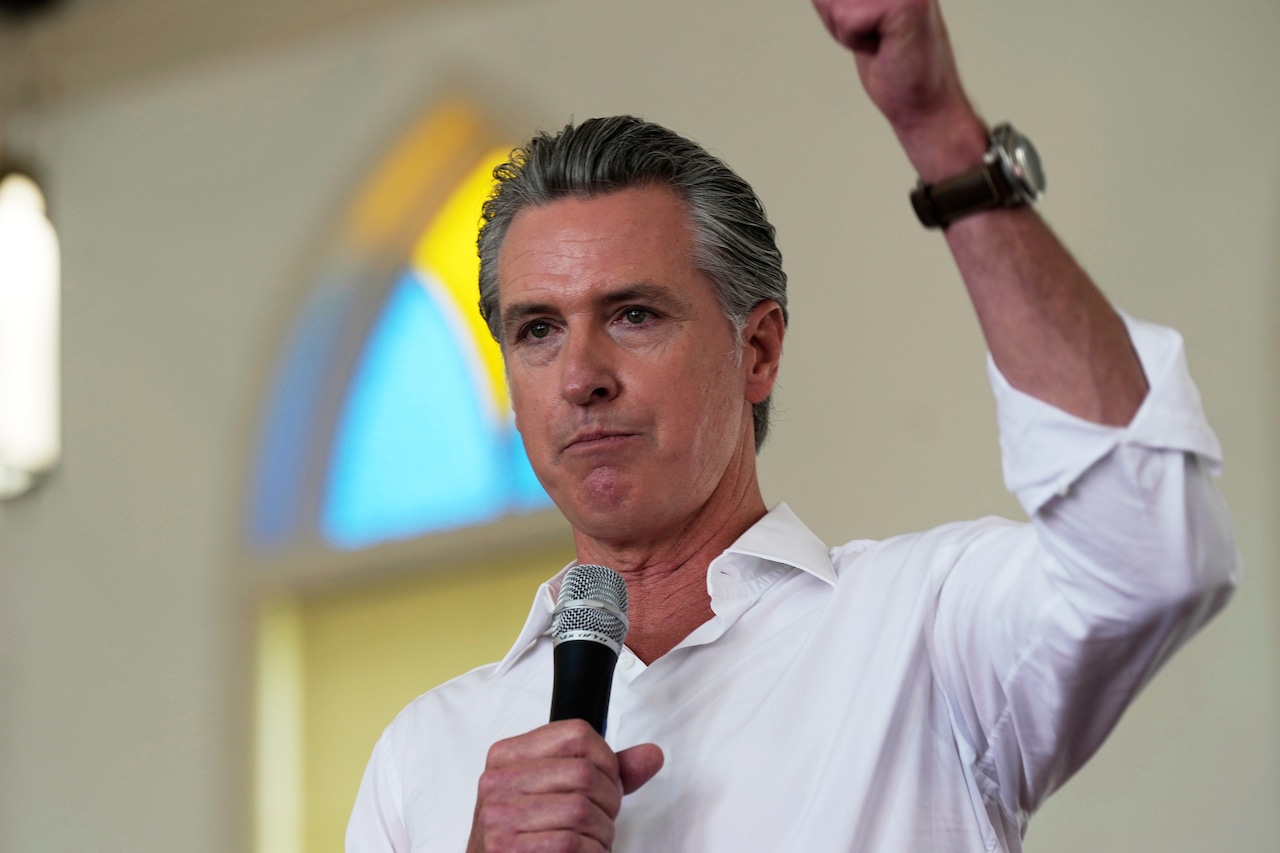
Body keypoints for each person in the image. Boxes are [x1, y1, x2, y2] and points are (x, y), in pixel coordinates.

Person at [347, 0, 1239, 850]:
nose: (581, 377)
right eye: (538, 330)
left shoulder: (921, 634)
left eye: (633, 315)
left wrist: (940, 132)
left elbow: (1151, 554)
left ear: (759, 350)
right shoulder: (423, 757)